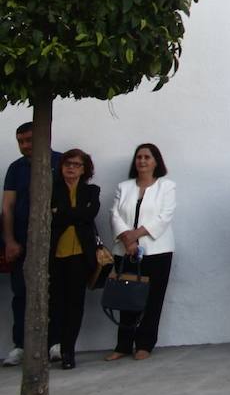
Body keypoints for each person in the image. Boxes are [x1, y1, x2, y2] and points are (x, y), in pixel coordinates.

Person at [106, 143, 176, 361]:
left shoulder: (167, 186)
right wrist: (128, 239)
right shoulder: (123, 187)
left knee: (153, 299)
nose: (142, 161)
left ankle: (145, 344)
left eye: (147, 157)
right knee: (127, 298)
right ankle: (123, 345)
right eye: (139, 157)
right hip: (125, 250)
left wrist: (136, 235)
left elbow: (164, 216)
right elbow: (114, 214)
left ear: (156, 161)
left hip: (157, 251)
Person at [1, 123, 61, 367]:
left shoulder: (60, 162)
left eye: (29, 140)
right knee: (21, 293)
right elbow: (8, 206)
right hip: (22, 239)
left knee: (55, 291)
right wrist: (9, 240)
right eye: (20, 141)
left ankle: (55, 342)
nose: (25, 145)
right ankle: (21, 345)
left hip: (54, 238)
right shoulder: (16, 168)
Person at [48, 149, 99, 370]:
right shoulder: (51, 189)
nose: (71, 167)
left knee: (75, 304)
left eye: (77, 164)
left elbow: (89, 215)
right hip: (55, 254)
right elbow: (51, 218)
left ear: (84, 169)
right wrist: (74, 214)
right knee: (55, 302)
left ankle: (69, 350)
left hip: (80, 255)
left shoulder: (91, 191)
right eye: (68, 163)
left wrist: (62, 213)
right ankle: (53, 347)